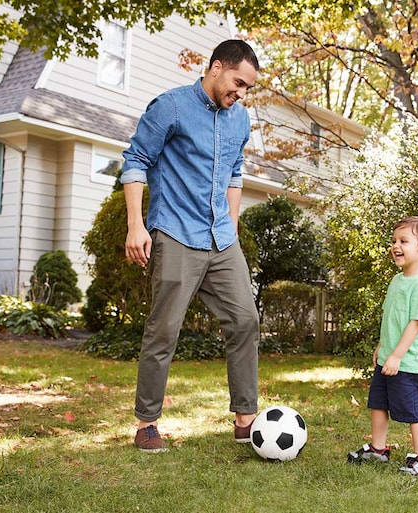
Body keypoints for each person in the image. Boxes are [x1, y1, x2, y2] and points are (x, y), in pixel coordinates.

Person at [119, 39, 260, 453]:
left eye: (249, 88)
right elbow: (135, 161)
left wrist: (231, 228)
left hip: (221, 239)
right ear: (216, 67)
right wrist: (135, 226)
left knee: (245, 320)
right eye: (238, 82)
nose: (242, 93)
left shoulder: (240, 120)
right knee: (163, 330)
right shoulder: (171, 106)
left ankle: (245, 418)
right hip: (176, 231)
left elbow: (235, 174)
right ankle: (147, 423)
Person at [347, 216, 418, 476]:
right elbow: (392, 318)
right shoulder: (398, 280)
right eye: (393, 241)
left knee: (414, 412)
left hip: (409, 363)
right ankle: (378, 449)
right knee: (378, 403)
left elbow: (416, 323)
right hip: (388, 358)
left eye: (404, 241)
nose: (395, 246)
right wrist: (382, 347)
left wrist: (397, 355)